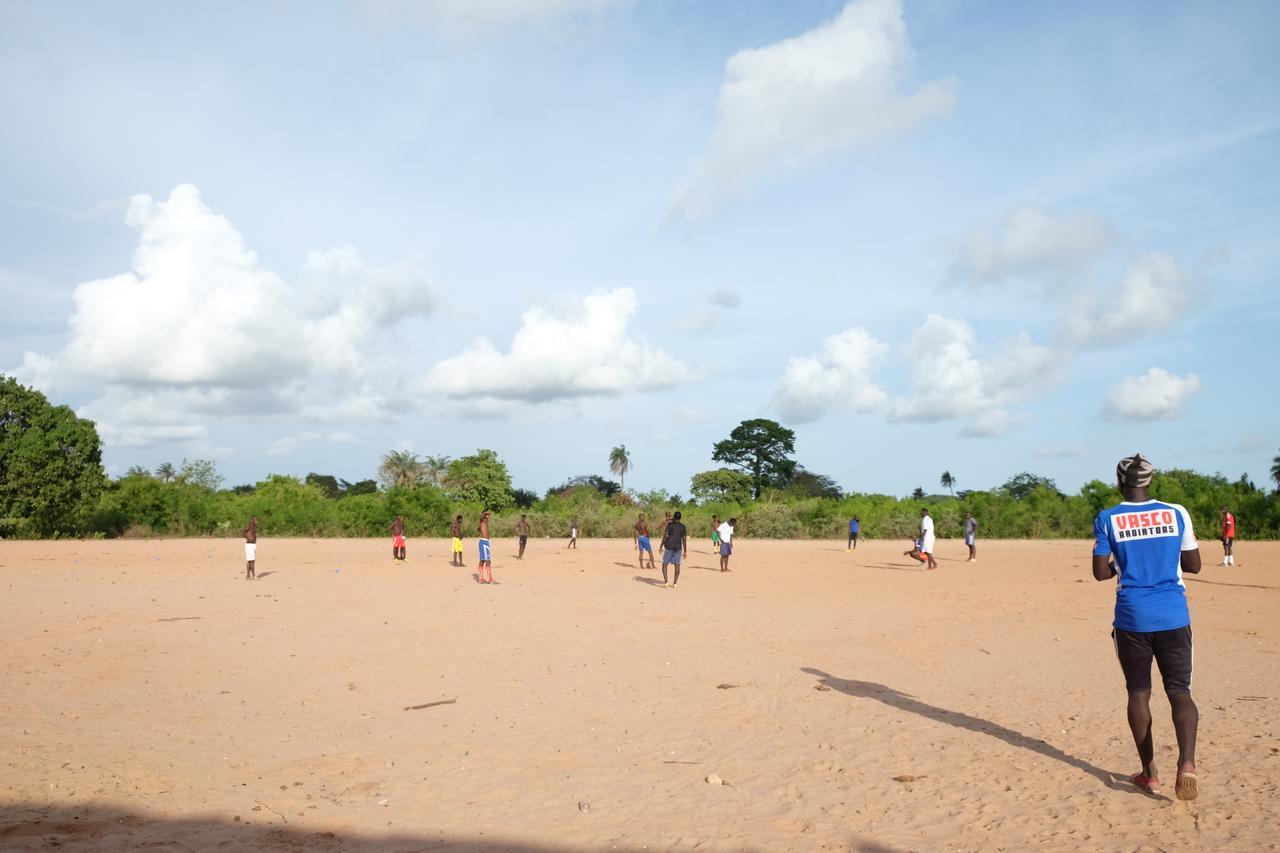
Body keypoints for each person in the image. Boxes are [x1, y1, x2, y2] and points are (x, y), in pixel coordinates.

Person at [1092, 453, 1201, 800]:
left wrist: (1121, 565)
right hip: (1173, 615)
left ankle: (1150, 772)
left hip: (1132, 617)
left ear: (1119, 481)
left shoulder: (1108, 518)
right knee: (1180, 692)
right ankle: (1187, 763)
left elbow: (1099, 572)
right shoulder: (1176, 512)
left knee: (1139, 693)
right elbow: (1194, 564)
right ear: (1150, 482)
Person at [660, 510, 688, 588]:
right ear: (680, 518)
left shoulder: (669, 525)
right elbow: (684, 539)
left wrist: (661, 545)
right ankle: (675, 583)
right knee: (677, 565)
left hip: (668, 546)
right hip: (678, 548)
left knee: (665, 564)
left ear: (674, 517)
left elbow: (665, 536)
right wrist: (685, 551)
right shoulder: (683, 527)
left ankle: (666, 582)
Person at [477, 510, 494, 584]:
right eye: (486, 515)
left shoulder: (485, 522)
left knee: (483, 561)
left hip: (485, 542)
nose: (488, 516)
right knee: (487, 561)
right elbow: (481, 517)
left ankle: (481, 579)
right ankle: (490, 579)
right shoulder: (482, 520)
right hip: (484, 542)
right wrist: (485, 512)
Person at [242, 516, 259, 580]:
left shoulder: (253, 527)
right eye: (254, 519)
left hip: (252, 545)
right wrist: (248, 538)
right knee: (251, 561)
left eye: (256, 519)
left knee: (251, 561)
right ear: (251, 520)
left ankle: (248, 576)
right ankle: (254, 576)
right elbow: (243, 532)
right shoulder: (249, 527)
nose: (256, 521)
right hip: (250, 545)